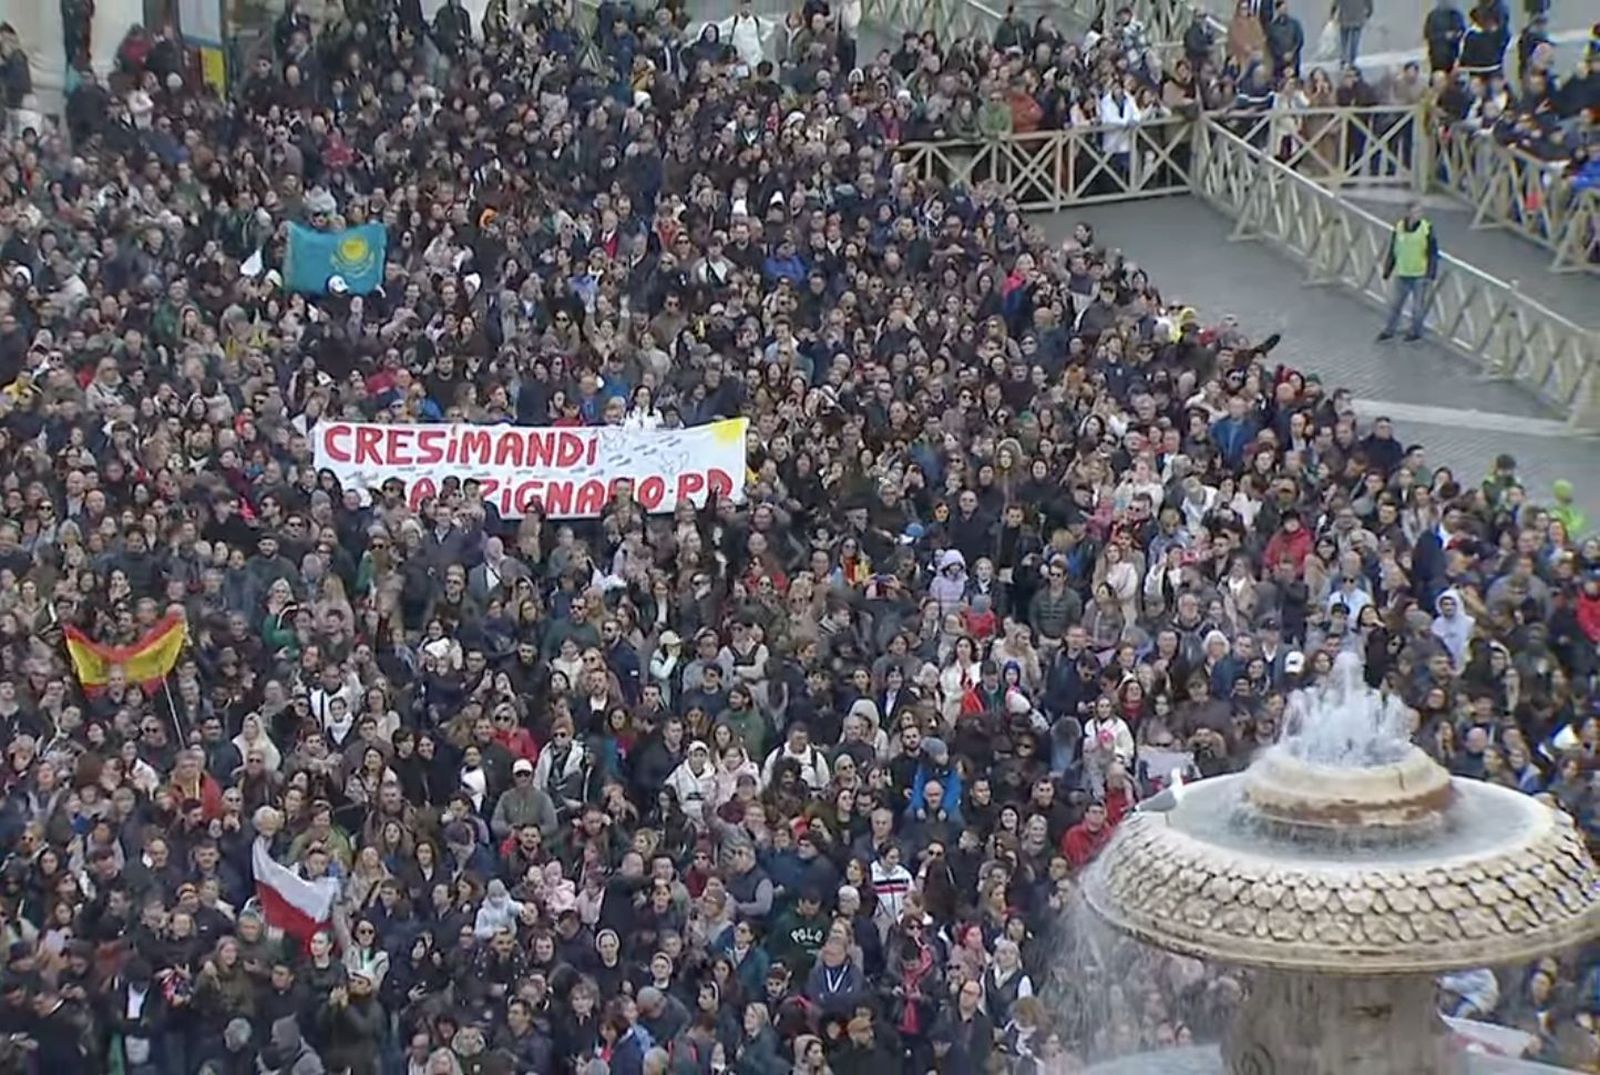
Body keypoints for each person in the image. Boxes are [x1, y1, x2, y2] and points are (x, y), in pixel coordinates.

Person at [1378, 202, 1440, 342]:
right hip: (1402, 272)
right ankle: (1389, 330)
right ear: (1408, 213)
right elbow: (1393, 250)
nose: (1418, 215)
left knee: (1417, 307)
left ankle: (1416, 332)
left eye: (1420, 212)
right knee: (1395, 305)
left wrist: (1431, 273)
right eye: (1415, 212)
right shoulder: (1399, 227)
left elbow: (1432, 252)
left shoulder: (1426, 228)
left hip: (1419, 273)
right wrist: (1388, 269)